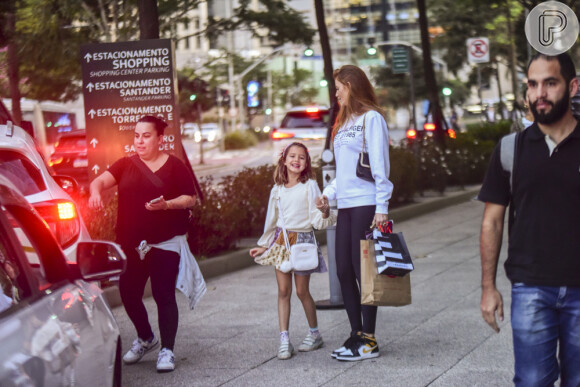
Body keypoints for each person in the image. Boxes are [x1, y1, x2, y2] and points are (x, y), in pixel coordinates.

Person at [478, 53, 580, 387]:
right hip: (531, 287)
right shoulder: (511, 149)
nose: (540, 93)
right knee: (532, 381)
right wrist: (488, 287)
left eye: (550, 83)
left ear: (572, 86)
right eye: (533, 84)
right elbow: (492, 221)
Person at [89, 115, 198, 373]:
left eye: (146, 136)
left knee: (163, 294)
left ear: (160, 139)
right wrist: (95, 193)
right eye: (136, 135)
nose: (139, 141)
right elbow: (100, 181)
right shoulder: (125, 164)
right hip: (130, 243)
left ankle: (167, 350)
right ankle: (146, 338)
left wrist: (167, 205)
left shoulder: (175, 166)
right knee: (128, 293)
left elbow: (190, 199)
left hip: (165, 242)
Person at [319, 65, 394, 361]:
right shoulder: (343, 123)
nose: (336, 93)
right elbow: (343, 173)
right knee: (343, 271)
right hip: (346, 206)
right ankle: (355, 335)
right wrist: (327, 196)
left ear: (351, 85)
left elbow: (379, 167)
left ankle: (369, 340)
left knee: (364, 272)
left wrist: (382, 208)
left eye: (339, 87)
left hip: (366, 204)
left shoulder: (371, 119)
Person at [249, 142, 336, 360]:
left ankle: (314, 334)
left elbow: (317, 219)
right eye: (292, 156)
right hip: (281, 243)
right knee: (283, 291)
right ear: (284, 160)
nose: (296, 160)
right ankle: (284, 340)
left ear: (306, 163)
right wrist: (263, 244)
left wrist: (325, 212)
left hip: (303, 242)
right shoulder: (277, 190)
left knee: (301, 291)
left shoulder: (310, 186)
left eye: (301, 157)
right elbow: (272, 219)